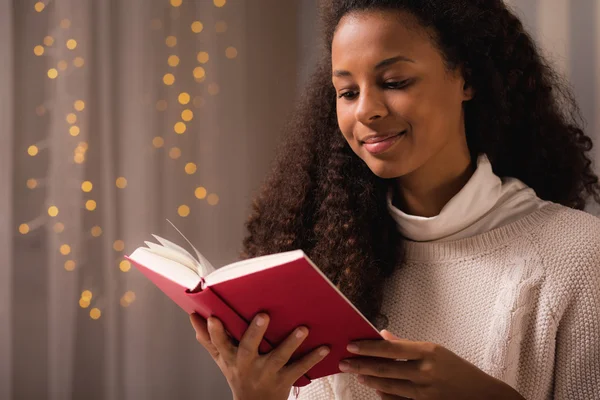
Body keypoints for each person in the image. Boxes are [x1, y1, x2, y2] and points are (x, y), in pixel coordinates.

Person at [190, 1, 600, 399]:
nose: (366, 110)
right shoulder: (321, 258)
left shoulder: (579, 254)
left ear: (467, 79)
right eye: (347, 92)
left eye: (394, 82)